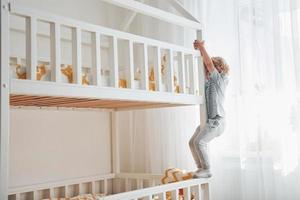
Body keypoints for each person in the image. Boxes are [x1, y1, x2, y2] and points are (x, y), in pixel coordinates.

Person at [189, 40, 229, 178]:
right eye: (206, 71)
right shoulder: (208, 84)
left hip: (218, 121)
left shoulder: (220, 80)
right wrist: (198, 52)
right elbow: (205, 64)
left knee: (200, 142)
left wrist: (201, 47)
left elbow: (208, 63)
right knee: (192, 142)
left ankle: (207, 169)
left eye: (210, 69)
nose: (207, 71)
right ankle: (201, 168)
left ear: (220, 69)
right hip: (209, 121)